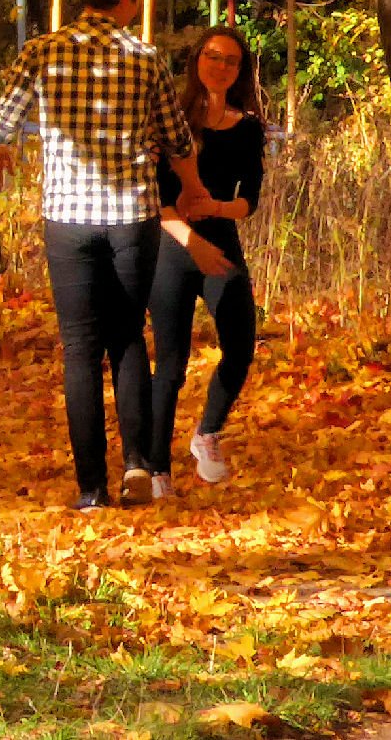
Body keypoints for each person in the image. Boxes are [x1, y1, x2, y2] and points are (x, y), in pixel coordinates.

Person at [0, 0, 230, 510]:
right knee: (126, 339)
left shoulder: (41, 52)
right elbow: (175, 138)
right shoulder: (143, 60)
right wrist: (191, 188)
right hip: (130, 219)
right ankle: (137, 465)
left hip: (68, 221)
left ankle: (91, 489)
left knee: (78, 351)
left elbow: (3, 120)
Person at [146, 25, 265, 494]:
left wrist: (217, 208)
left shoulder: (248, 126)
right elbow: (155, 196)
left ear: (240, 72)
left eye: (230, 61)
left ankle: (207, 434)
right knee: (171, 363)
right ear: (198, 60)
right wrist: (186, 231)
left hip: (221, 241)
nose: (220, 67)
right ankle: (157, 468)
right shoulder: (171, 118)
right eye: (213, 57)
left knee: (240, 343)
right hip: (172, 244)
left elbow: (249, 199)